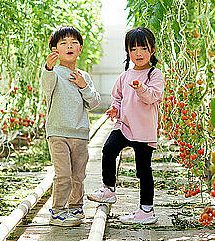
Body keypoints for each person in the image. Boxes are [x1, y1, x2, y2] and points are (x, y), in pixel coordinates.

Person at [87, 27, 165, 225]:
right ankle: (109, 189)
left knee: (143, 170)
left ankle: (146, 210)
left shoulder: (155, 75)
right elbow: (118, 99)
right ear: (128, 52)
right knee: (108, 149)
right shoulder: (124, 76)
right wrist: (115, 109)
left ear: (152, 50)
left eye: (143, 49)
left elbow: (152, 97)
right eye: (133, 49)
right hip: (124, 126)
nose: (138, 54)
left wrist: (141, 88)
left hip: (144, 130)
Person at [41, 26, 101, 226]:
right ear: (55, 50)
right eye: (63, 43)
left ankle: (75, 207)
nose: (69, 46)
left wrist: (84, 86)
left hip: (80, 134)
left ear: (80, 49)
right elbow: (47, 87)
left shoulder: (83, 76)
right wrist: (48, 69)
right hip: (57, 133)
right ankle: (57, 211)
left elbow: (94, 103)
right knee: (63, 174)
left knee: (78, 175)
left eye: (74, 43)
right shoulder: (54, 73)